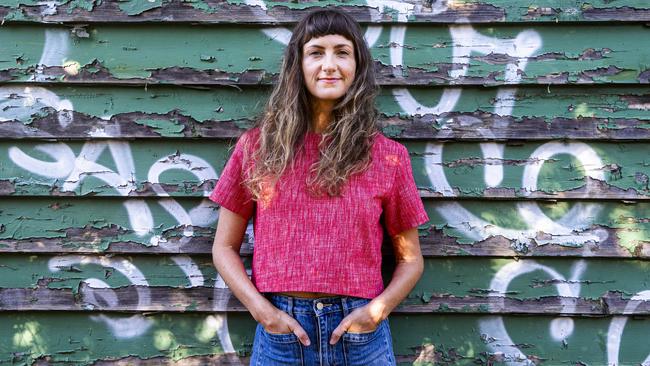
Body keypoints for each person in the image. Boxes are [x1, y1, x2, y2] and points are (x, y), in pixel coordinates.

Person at [210, 9, 429, 366]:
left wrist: (374, 313)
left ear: (357, 67)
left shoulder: (388, 157)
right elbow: (223, 247)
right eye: (316, 52)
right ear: (298, 65)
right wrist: (264, 314)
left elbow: (410, 260)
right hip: (281, 332)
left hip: (361, 336)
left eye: (342, 52)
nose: (330, 64)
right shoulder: (256, 149)